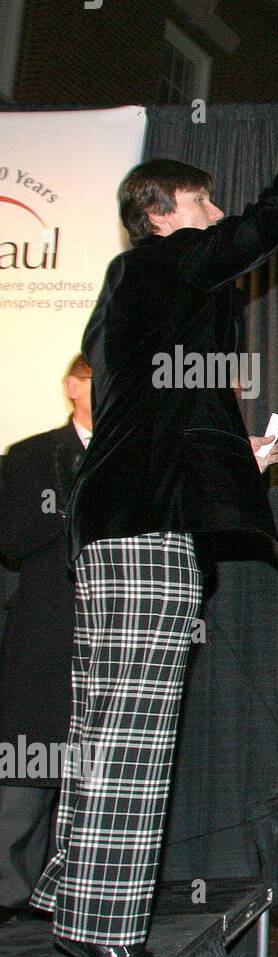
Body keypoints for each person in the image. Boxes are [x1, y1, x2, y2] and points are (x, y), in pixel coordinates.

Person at [27, 44, 278, 957]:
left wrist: (228, 451)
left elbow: (144, 414)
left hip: (119, 524)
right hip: (147, 534)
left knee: (105, 715)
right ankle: (102, 919)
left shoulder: (132, 296)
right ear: (160, 213)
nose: (216, 218)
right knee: (139, 723)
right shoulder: (168, 267)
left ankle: (72, 895)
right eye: (202, 205)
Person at [0, 356, 92, 921]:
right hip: (45, 634)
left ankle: (68, 897)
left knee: (92, 776)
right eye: (96, 379)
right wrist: (78, 507)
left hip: (111, 635)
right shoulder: (30, 455)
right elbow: (11, 538)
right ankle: (9, 893)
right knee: (26, 776)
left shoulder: (133, 453)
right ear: (71, 386)